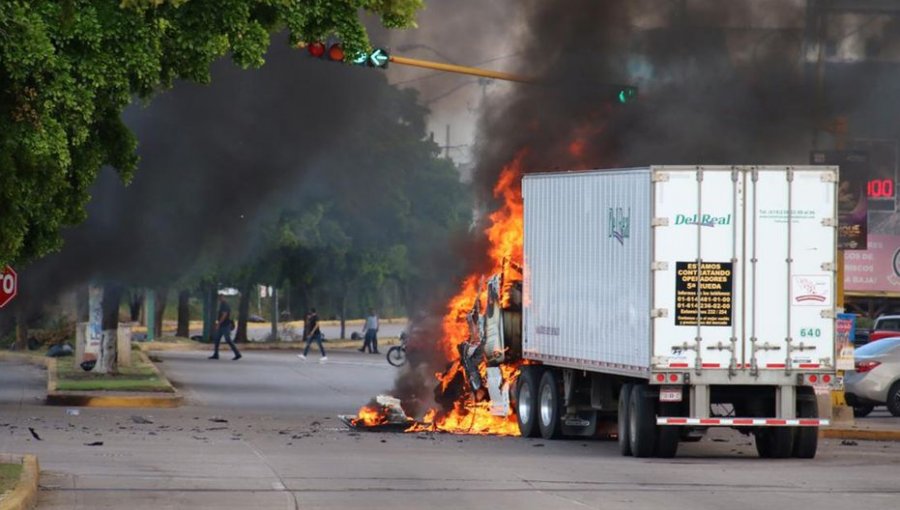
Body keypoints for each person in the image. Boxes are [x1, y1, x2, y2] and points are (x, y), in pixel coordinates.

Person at [210, 292, 241, 361]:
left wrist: (219, 323)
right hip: (222, 325)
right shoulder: (222, 305)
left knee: (228, 340)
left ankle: (237, 354)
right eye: (219, 297)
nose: (220, 298)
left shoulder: (225, 305)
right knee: (217, 339)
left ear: (223, 297)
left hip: (225, 325)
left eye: (221, 297)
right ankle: (216, 354)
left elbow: (224, 315)